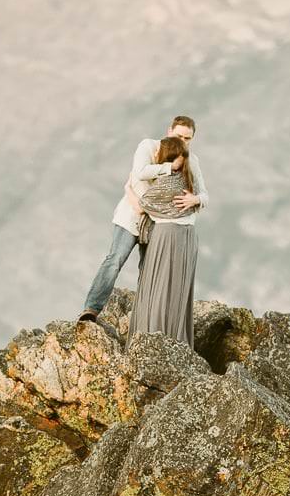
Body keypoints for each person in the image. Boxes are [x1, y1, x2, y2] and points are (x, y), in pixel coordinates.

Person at [77, 114, 207, 323]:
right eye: (179, 135)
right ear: (169, 131)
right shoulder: (149, 146)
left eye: (187, 138)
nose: (182, 141)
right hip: (132, 216)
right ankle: (91, 310)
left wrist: (196, 199)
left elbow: (204, 194)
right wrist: (170, 167)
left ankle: (144, 319)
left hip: (159, 223)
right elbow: (139, 173)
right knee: (115, 259)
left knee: (149, 270)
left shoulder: (192, 159)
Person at [126, 136, 200, 347]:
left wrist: (128, 189)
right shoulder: (187, 181)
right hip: (187, 235)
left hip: (166, 235)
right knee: (177, 288)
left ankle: (154, 337)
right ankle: (177, 339)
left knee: (158, 286)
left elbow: (142, 206)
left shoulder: (167, 182)